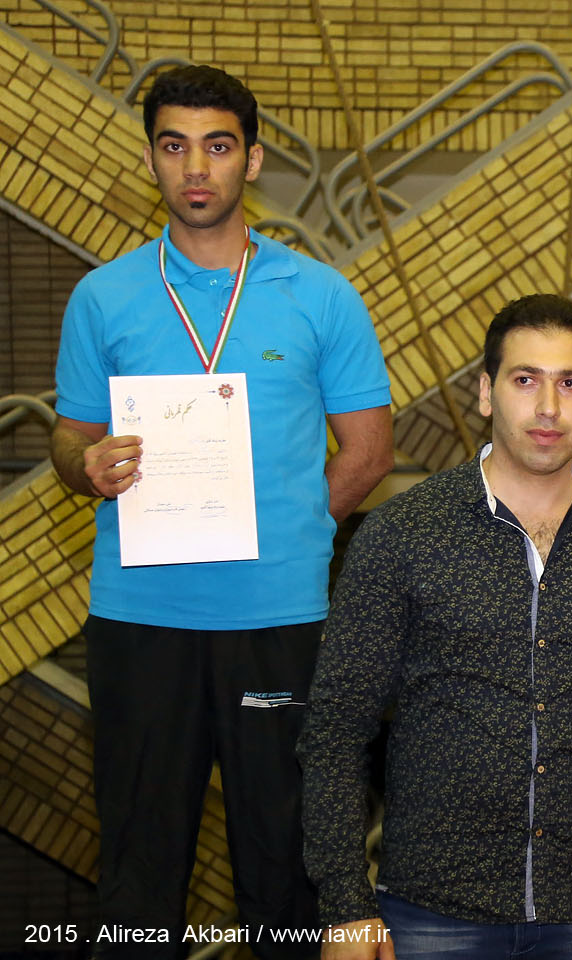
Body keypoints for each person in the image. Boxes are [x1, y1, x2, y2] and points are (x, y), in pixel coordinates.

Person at [49, 64, 392, 957]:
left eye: (217, 146)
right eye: (174, 146)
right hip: (140, 620)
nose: (195, 167)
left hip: (277, 622)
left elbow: (369, 451)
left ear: (253, 159)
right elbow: (69, 440)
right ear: (151, 160)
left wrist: (292, 528)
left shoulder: (321, 295)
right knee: (138, 867)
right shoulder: (103, 297)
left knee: (285, 866)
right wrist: (85, 466)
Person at [298, 295, 572, 960]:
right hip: (432, 913)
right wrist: (345, 904)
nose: (548, 407)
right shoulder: (403, 534)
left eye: (569, 383)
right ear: (487, 393)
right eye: (525, 380)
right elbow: (336, 729)